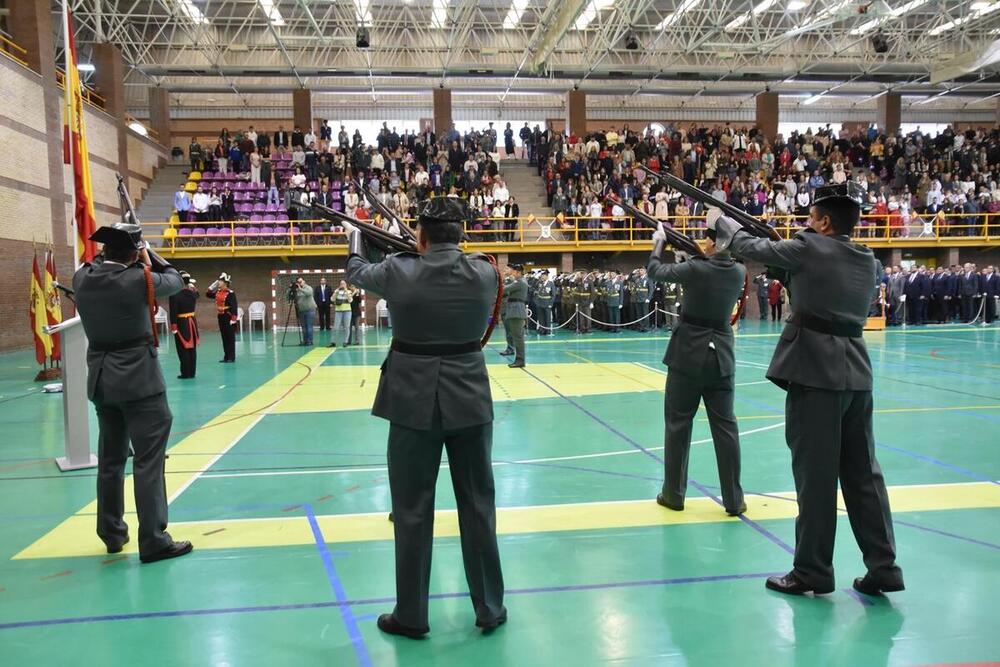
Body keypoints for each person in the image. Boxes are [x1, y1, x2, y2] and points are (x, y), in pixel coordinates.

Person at [716, 181, 904, 597]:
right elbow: (811, 277)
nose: (805, 224)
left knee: (815, 477)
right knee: (863, 475)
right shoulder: (865, 257)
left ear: (822, 222)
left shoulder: (808, 247)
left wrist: (724, 223)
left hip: (816, 372)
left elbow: (752, 249)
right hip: (856, 371)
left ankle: (812, 570)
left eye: (809, 218)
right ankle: (884, 565)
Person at [345, 197, 506, 638]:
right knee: (478, 504)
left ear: (422, 234)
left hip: (412, 399)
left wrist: (357, 238)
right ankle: (490, 606)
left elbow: (357, 272)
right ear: (461, 234)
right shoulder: (487, 271)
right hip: (470, 396)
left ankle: (412, 615)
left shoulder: (398, 270)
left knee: (412, 509)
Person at [72, 223, 193, 564]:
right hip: (139, 381)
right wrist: (148, 252)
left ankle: (111, 533)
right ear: (133, 253)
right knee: (148, 461)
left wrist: (130, 250)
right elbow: (174, 279)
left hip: (101, 380)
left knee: (111, 461)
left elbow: (98, 261)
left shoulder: (83, 277)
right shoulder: (138, 279)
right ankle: (153, 539)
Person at [647, 218, 746, 516]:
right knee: (726, 428)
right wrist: (691, 259)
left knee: (678, 425)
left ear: (716, 243)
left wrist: (659, 243)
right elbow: (711, 271)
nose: (703, 243)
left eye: (708, 240)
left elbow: (655, 271)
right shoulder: (739, 271)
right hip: (721, 357)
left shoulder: (696, 269)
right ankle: (733, 499)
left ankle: (673, 494)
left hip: (688, 355)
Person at [169, 271, 200, 379]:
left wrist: (173, 325)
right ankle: (192, 372)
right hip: (192, 322)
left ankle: (185, 373)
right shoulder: (192, 293)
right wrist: (192, 286)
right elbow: (198, 294)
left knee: (183, 348)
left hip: (181, 323)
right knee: (192, 349)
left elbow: (173, 311)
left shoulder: (174, 295)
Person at [206, 273, 238, 363]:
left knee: (230, 338)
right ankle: (226, 356)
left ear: (225, 283)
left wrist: (233, 319)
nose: (219, 282)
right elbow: (208, 294)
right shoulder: (218, 292)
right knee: (224, 337)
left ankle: (231, 357)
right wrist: (213, 286)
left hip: (228, 316)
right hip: (221, 317)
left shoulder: (230, 293)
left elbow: (234, 307)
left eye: (220, 281)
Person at [502, 264, 527, 368]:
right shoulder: (519, 281)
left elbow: (504, 289)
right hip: (514, 310)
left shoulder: (520, 282)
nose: (513, 273)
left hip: (516, 310)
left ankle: (520, 360)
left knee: (518, 337)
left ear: (518, 272)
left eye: (514, 272)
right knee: (517, 337)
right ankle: (519, 360)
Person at [290, 276, 316, 346]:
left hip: (310, 310)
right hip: (301, 311)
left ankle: (310, 341)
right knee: (303, 327)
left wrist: (300, 289)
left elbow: (309, 293)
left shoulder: (308, 287)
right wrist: (290, 289)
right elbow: (289, 297)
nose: (299, 283)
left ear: (304, 281)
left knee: (309, 326)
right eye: (298, 282)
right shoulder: (296, 290)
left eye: (300, 282)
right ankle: (305, 341)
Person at [329, 280, 353, 348]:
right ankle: (333, 342)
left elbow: (350, 300)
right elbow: (332, 299)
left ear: (346, 284)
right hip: (338, 311)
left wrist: (346, 291)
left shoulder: (349, 291)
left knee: (346, 327)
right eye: (341, 283)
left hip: (347, 311)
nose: (342, 285)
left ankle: (345, 342)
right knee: (336, 327)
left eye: (344, 283)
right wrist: (336, 292)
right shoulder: (336, 291)